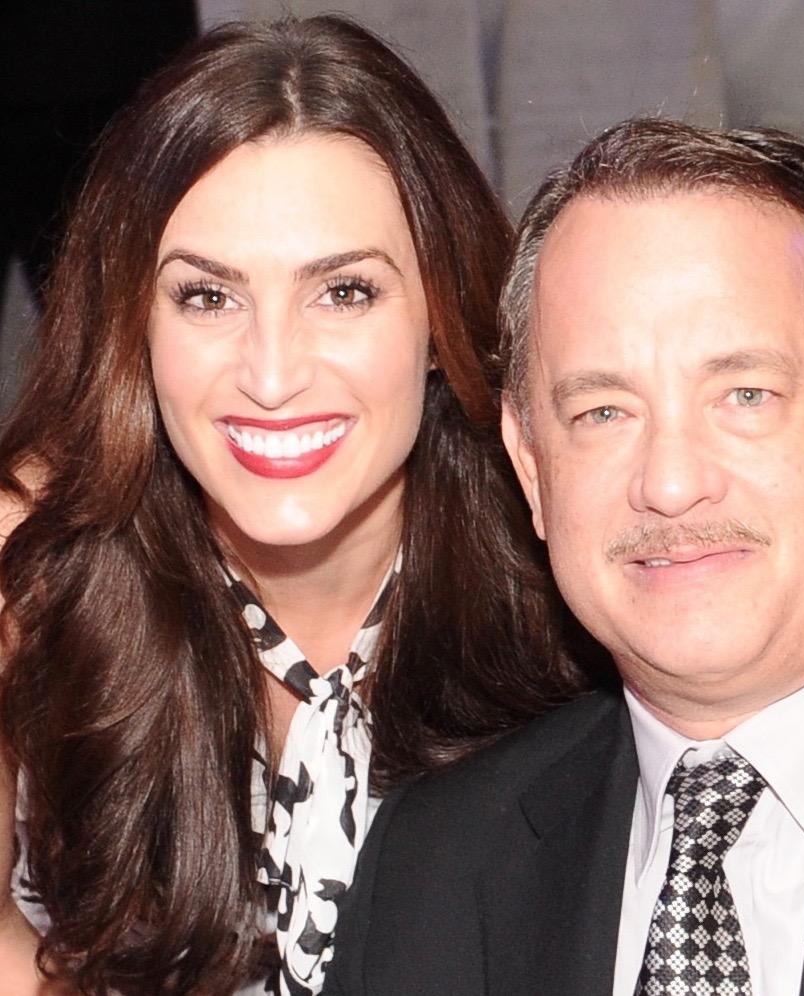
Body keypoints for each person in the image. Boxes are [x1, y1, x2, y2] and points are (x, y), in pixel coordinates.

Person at [325, 119, 804, 996]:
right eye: (603, 412)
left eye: (744, 394)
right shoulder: (430, 874)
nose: (671, 481)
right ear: (531, 468)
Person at [0, 16, 583, 996]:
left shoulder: (561, 570)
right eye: (208, 298)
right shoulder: (36, 560)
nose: (271, 374)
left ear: (438, 316)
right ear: (133, 319)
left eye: (344, 291)